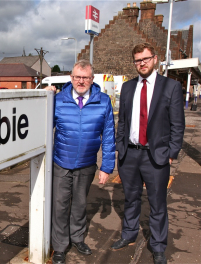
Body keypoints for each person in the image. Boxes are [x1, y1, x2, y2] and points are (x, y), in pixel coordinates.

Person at [112, 43, 185, 264]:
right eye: (137, 60)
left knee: (157, 203)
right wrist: (120, 145)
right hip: (130, 155)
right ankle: (129, 234)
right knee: (131, 199)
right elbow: (123, 122)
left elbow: (177, 124)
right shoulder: (127, 87)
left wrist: (171, 152)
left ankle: (158, 246)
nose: (141, 63)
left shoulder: (170, 87)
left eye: (145, 59)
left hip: (156, 156)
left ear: (154, 59)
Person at [46, 60, 116, 264]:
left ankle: (77, 237)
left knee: (79, 205)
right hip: (61, 163)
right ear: (71, 78)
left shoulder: (103, 101)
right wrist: (45, 94)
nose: (81, 81)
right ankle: (59, 246)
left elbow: (109, 136)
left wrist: (107, 167)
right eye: (77, 77)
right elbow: (43, 129)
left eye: (85, 77)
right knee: (59, 207)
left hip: (87, 164)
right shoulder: (57, 100)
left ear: (92, 79)